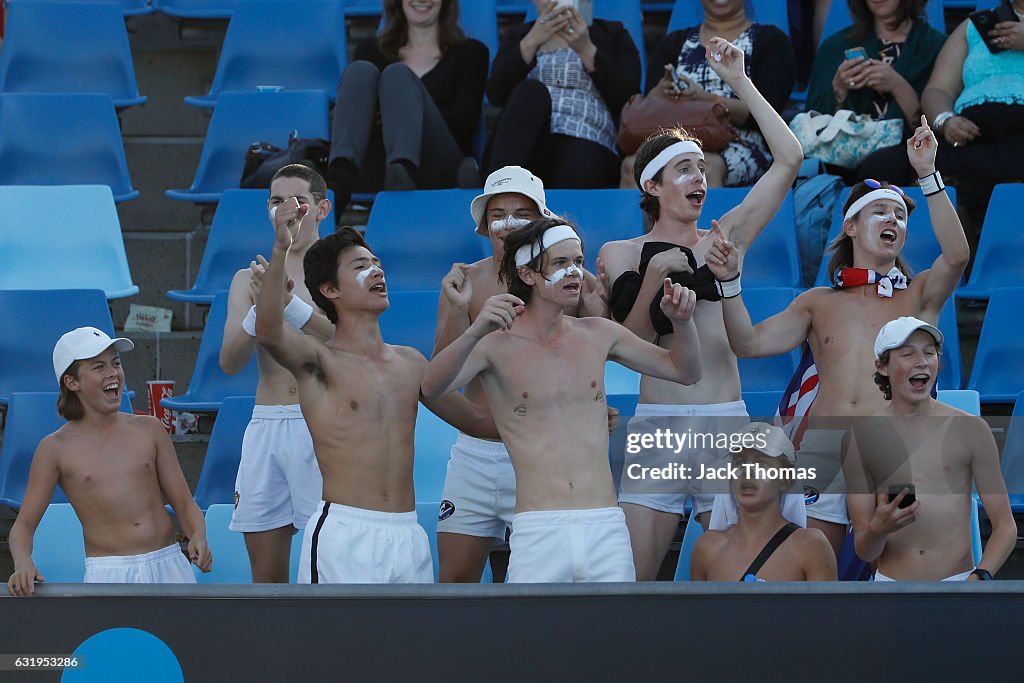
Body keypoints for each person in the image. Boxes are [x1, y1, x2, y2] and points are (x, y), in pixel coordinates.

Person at [705, 116, 969, 555]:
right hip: (823, 445)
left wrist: (927, 173)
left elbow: (957, 254)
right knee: (812, 571)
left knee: (896, 565)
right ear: (850, 226)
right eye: (880, 212)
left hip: (892, 442)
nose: (893, 220)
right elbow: (748, 344)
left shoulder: (920, 294)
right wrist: (730, 283)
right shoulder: (817, 302)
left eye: (900, 216)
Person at [598, 36, 803, 581]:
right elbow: (628, 343)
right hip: (657, 426)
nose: (700, 180)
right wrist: (657, 279)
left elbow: (790, 158)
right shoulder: (618, 254)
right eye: (685, 170)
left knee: (735, 582)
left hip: (724, 423)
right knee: (630, 582)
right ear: (652, 185)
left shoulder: (725, 235)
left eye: (701, 169)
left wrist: (739, 81)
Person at [422, 219, 703, 583]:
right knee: (534, 639)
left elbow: (685, 371)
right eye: (560, 263)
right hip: (539, 527)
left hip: (605, 524)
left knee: (614, 639)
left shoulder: (598, 333)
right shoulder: (495, 344)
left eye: (578, 261)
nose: (574, 272)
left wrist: (683, 323)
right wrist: (473, 326)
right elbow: (432, 386)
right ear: (527, 274)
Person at [255, 203, 497, 584]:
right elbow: (268, 332)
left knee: (408, 646)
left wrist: (571, 416)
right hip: (343, 534)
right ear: (329, 289)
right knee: (336, 646)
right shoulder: (320, 360)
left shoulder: (412, 364)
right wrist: (280, 248)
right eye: (360, 266)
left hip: (408, 534)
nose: (377, 271)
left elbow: (481, 423)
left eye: (377, 263)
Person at [433, 166, 612, 582]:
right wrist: (461, 311)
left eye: (521, 213)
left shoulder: (573, 278)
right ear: (484, 224)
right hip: (475, 456)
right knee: (454, 585)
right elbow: (441, 374)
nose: (507, 223)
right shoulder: (465, 281)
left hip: (545, 457)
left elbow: (604, 349)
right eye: (498, 213)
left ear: (543, 221)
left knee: (542, 592)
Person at [7, 328, 212, 595]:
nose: (113, 372)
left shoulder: (150, 429)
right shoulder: (54, 449)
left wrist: (198, 535)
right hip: (108, 574)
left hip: (169, 563)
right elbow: (23, 526)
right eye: (99, 367)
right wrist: (23, 562)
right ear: (72, 382)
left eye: (116, 363)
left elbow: (185, 503)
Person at [220, 164, 336, 583]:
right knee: (265, 579)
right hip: (266, 423)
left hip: (322, 422)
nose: (287, 210)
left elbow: (352, 345)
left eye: (298, 202)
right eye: (276, 201)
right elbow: (230, 361)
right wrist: (260, 307)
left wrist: (290, 309)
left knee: (325, 568)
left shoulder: (343, 271)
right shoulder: (245, 279)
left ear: (322, 208)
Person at [842, 317, 1015, 581]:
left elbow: (1005, 526)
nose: (921, 361)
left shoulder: (972, 429)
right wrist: (879, 528)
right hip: (891, 588)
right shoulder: (858, 439)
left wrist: (980, 577)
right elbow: (865, 550)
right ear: (882, 367)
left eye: (929, 352)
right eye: (908, 353)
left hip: (960, 584)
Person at [327, 0, 488, 213]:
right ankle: (339, 180)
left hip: (438, 164)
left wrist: (404, 108)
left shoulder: (472, 52)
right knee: (359, 71)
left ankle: (403, 173)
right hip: (378, 164)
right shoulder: (370, 49)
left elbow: (463, 123)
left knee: (397, 76)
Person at [621, 0, 796, 189]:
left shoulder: (771, 41)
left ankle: (708, 220)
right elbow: (649, 106)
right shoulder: (675, 42)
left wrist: (705, 99)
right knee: (632, 166)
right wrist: (661, 92)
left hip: (740, 141)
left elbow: (767, 114)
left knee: (705, 167)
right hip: (677, 138)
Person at [485, 0, 641, 188]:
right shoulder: (520, 36)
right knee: (531, 91)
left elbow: (629, 98)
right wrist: (531, 41)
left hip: (587, 141)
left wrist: (586, 49)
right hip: (527, 144)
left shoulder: (613, 33)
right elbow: (495, 94)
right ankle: (499, 187)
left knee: (578, 158)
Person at [806, 0, 946, 185]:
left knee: (883, 164)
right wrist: (839, 89)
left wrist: (897, 85)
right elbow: (811, 125)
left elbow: (936, 130)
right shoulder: (836, 46)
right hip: (842, 150)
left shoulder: (936, 46)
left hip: (904, 153)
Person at [921, 1, 1024, 241]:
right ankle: (960, 268)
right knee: (932, 177)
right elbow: (937, 89)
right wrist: (946, 121)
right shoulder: (973, 27)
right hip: (971, 137)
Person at [691, 422, 836, 582]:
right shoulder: (707, 548)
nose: (747, 471)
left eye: (762, 463)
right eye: (739, 462)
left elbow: (825, 608)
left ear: (786, 480)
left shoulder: (811, 546)